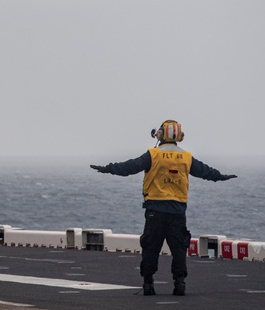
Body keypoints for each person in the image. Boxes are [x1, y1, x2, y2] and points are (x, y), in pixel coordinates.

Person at [90, 120, 236, 297]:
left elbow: (129, 167)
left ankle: (148, 282)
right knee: (179, 248)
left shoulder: (153, 155)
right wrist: (220, 176)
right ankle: (179, 283)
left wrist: (108, 169)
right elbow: (205, 171)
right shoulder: (186, 157)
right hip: (177, 211)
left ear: (160, 134)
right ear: (179, 137)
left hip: (155, 211)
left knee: (151, 247)